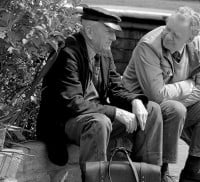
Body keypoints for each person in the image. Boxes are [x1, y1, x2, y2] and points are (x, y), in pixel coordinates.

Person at [36, 5, 163, 173]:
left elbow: (116, 88)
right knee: (99, 122)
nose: (114, 38)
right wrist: (116, 112)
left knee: (152, 109)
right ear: (89, 31)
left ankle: (146, 174)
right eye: (109, 32)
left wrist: (135, 101)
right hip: (68, 121)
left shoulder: (104, 53)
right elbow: (74, 104)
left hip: (97, 116)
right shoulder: (68, 53)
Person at [122, 6, 200, 182]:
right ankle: (160, 170)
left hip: (172, 109)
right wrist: (189, 85)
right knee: (176, 108)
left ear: (190, 38)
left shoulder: (196, 47)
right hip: (142, 108)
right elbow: (157, 96)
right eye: (168, 28)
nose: (168, 36)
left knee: (181, 107)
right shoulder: (149, 46)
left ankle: (193, 169)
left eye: (176, 35)